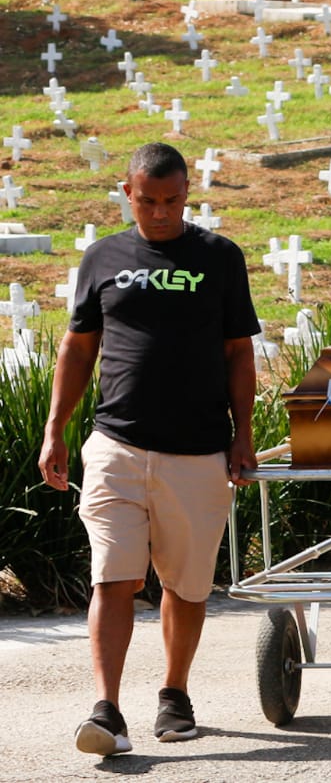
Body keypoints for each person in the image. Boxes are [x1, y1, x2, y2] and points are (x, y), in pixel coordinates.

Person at [38, 142, 260, 756]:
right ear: (127, 193)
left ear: (186, 194)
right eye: (148, 201)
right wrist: (57, 428)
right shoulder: (102, 257)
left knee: (186, 587)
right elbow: (78, 348)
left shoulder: (219, 257)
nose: (160, 214)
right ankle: (106, 710)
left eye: (172, 201)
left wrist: (243, 435)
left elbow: (239, 352)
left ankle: (174, 692)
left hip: (198, 452)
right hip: (116, 444)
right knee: (114, 576)